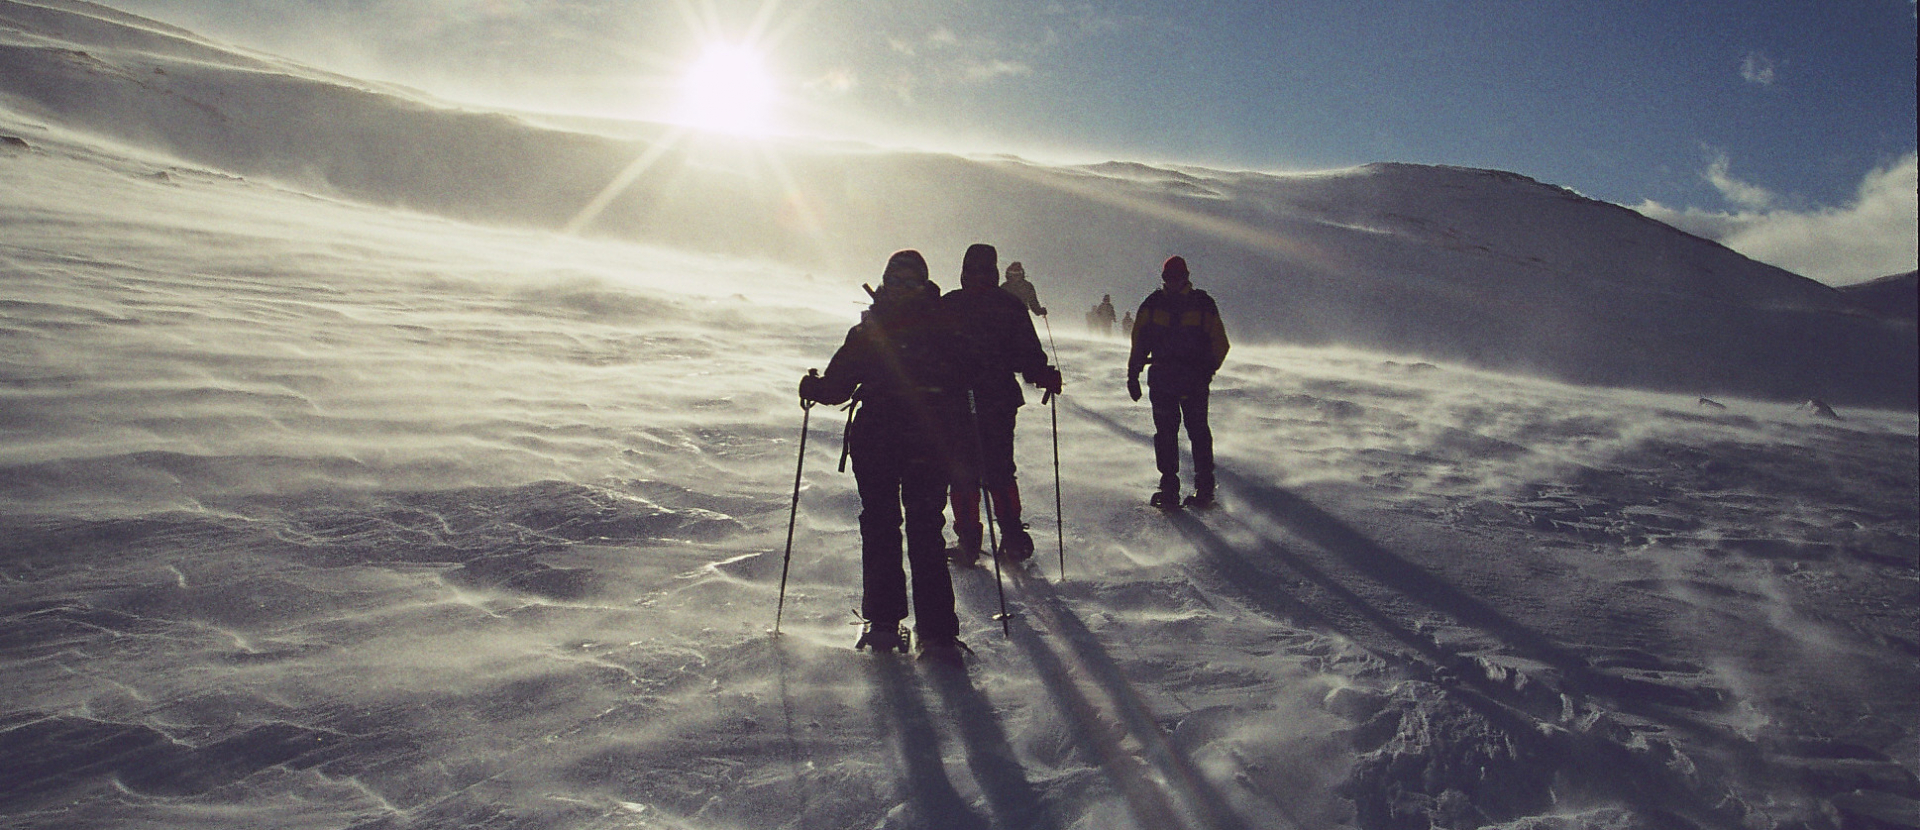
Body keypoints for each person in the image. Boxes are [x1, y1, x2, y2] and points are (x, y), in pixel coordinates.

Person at [798, 250, 966, 663]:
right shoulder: (940, 327)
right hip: (918, 440)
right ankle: (934, 632)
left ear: (923, 284)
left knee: (886, 527)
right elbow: (966, 381)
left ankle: (888, 624)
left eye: (911, 282)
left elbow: (838, 386)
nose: (904, 290)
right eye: (898, 281)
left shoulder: (875, 328)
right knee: (916, 528)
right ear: (887, 282)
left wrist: (813, 388)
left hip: (886, 438)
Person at [943, 243, 1062, 565]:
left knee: (968, 472)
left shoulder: (952, 304)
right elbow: (1027, 353)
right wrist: (1042, 374)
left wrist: (1041, 373)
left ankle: (974, 539)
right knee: (995, 470)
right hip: (993, 398)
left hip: (967, 400)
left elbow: (930, 350)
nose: (980, 276)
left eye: (983, 270)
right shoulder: (1006, 305)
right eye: (976, 270)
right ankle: (1010, 537)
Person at [1126, 255, 1229, 509]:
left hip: (1192, 381)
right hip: (1163, 381)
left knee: (1198, 434)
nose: (1172, 282)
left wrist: (1206, 371)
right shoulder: (1152, 305)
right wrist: (1133, 374)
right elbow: (1139, 343)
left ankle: (1204, 489)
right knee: (1167, 435)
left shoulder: (1203, 304)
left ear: (1186, 276)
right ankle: (1170, 488)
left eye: (1177, 277)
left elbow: (1220, 344)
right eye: (1168, 277)